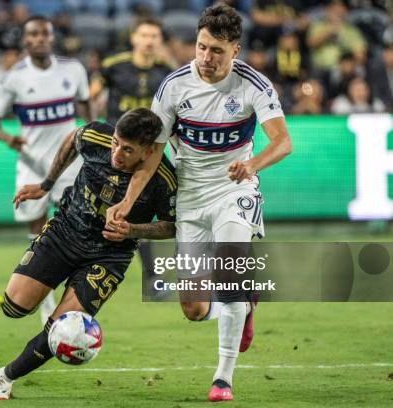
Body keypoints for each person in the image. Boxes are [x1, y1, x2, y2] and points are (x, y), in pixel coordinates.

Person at [106, 4, 292, 402]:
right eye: (202, 47)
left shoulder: (254, 85)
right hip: (189, 196)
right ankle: (243, 303)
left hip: (233, 191)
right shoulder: (173, 86)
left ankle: (223, 378)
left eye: (217, 51)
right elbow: (153, 154)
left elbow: (282, 142)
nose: (206, 58)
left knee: (228, 270)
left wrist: (252, 164)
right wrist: (127, 201)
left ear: (235, 51)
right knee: (192, 307)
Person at [0, 108, 177, 400]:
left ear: (148, 151)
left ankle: (5, 377)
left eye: (127, 149)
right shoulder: (96, 135)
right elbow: (72, 140)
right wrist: (46, 185)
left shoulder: (164, 179)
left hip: (109, 257)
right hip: (65, 232)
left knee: (61, 330)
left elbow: (171, 226)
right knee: (14, 307)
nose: (116, 153)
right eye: (115, 143)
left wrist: (133, 231)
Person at [0, 15, 92, 325]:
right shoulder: (14, 77)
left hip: (70, 162)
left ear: (52, 37)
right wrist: (6, 137)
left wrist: (93, 131)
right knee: (37, 232)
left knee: (75, 223)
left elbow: (86, 106)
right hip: (32, 163)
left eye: (45, 32)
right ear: (26, 41)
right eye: (34, 34)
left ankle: (74, 289)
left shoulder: (73, 69)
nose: (40, 38)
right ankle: (45, 299)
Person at [90, 17, 172, 295]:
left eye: (155, 36)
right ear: (134, 38)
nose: (149, 40)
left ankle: (151, 279)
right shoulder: (114, 66)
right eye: (145, 34)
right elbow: (89, 97)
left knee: (141, 216)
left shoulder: (167, 72)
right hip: (115, 155)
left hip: (149, 156)